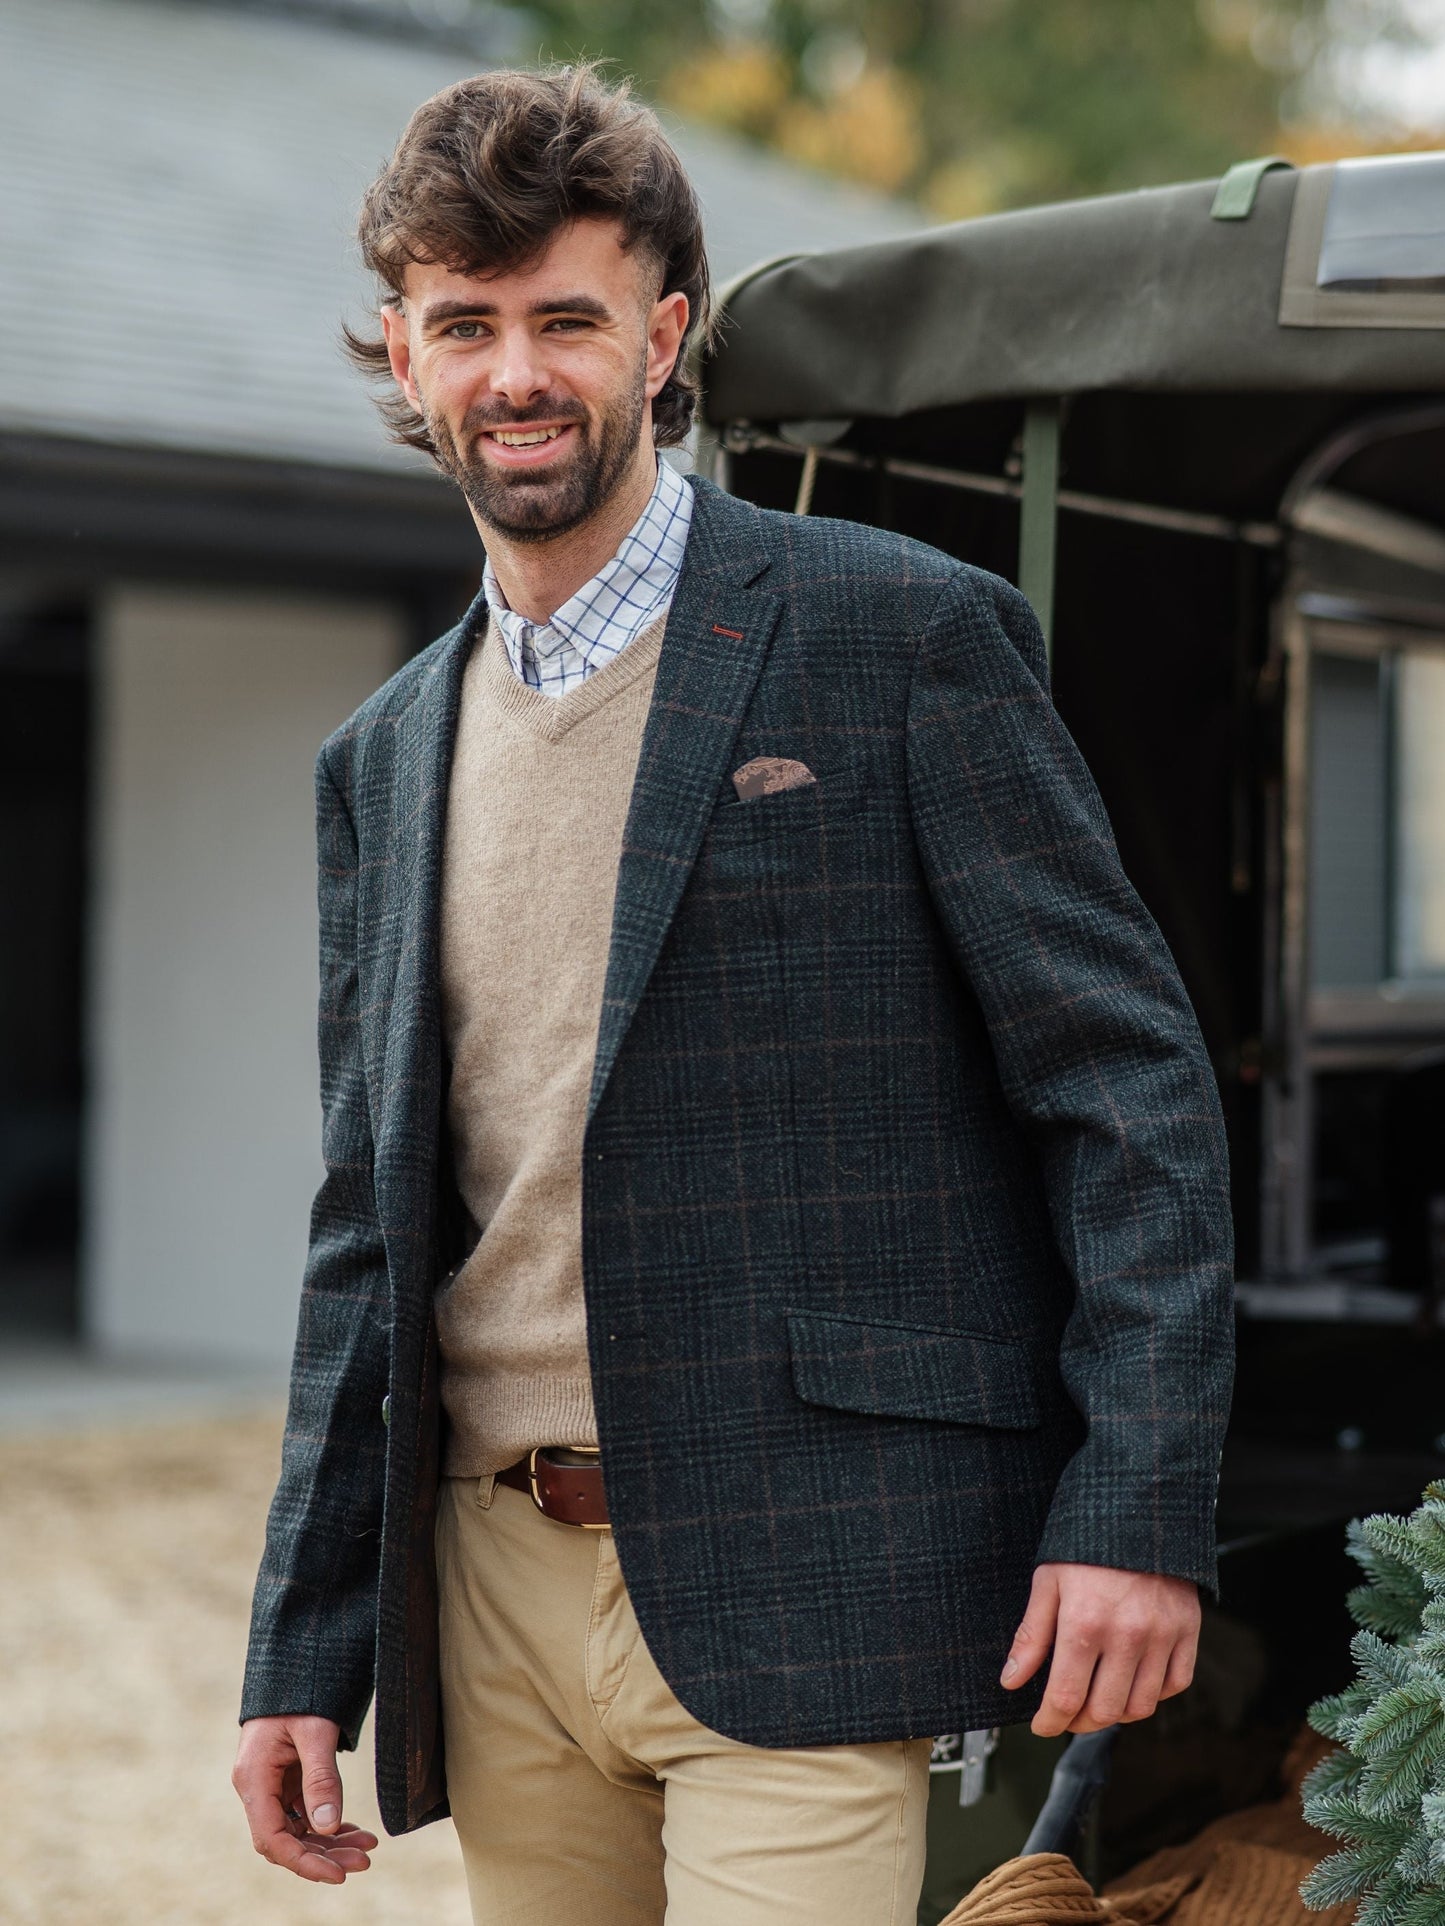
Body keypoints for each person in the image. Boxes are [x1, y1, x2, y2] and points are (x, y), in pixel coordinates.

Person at [232, 64, 1234, 1926]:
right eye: (464, 325)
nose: (513, 373)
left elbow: (1127, 1085)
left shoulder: (900, 634)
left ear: (663, 333)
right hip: (491, 1584)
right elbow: (362, 1234)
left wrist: (1134, 1509)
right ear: (402, 349)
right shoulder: (379, 759)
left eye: (564, 320)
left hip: (812, 1559)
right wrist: (302, 1637)